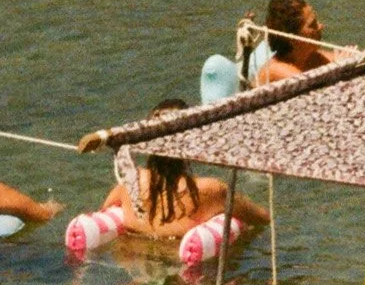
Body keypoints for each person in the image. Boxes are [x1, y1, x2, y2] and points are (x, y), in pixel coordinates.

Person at [91, 105, 264, 253]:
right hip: (184, 273)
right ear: (190, 140)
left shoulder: (128, 184)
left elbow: (102, 214)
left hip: (134, 265)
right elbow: (262, 219)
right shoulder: (209, 190)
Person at [256, 0, 328, 84]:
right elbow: (309, 85)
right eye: (312, 25)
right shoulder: (276, 70)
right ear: (293, 39)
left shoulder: (311, 58)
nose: (321, 26)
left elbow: (342, 55)